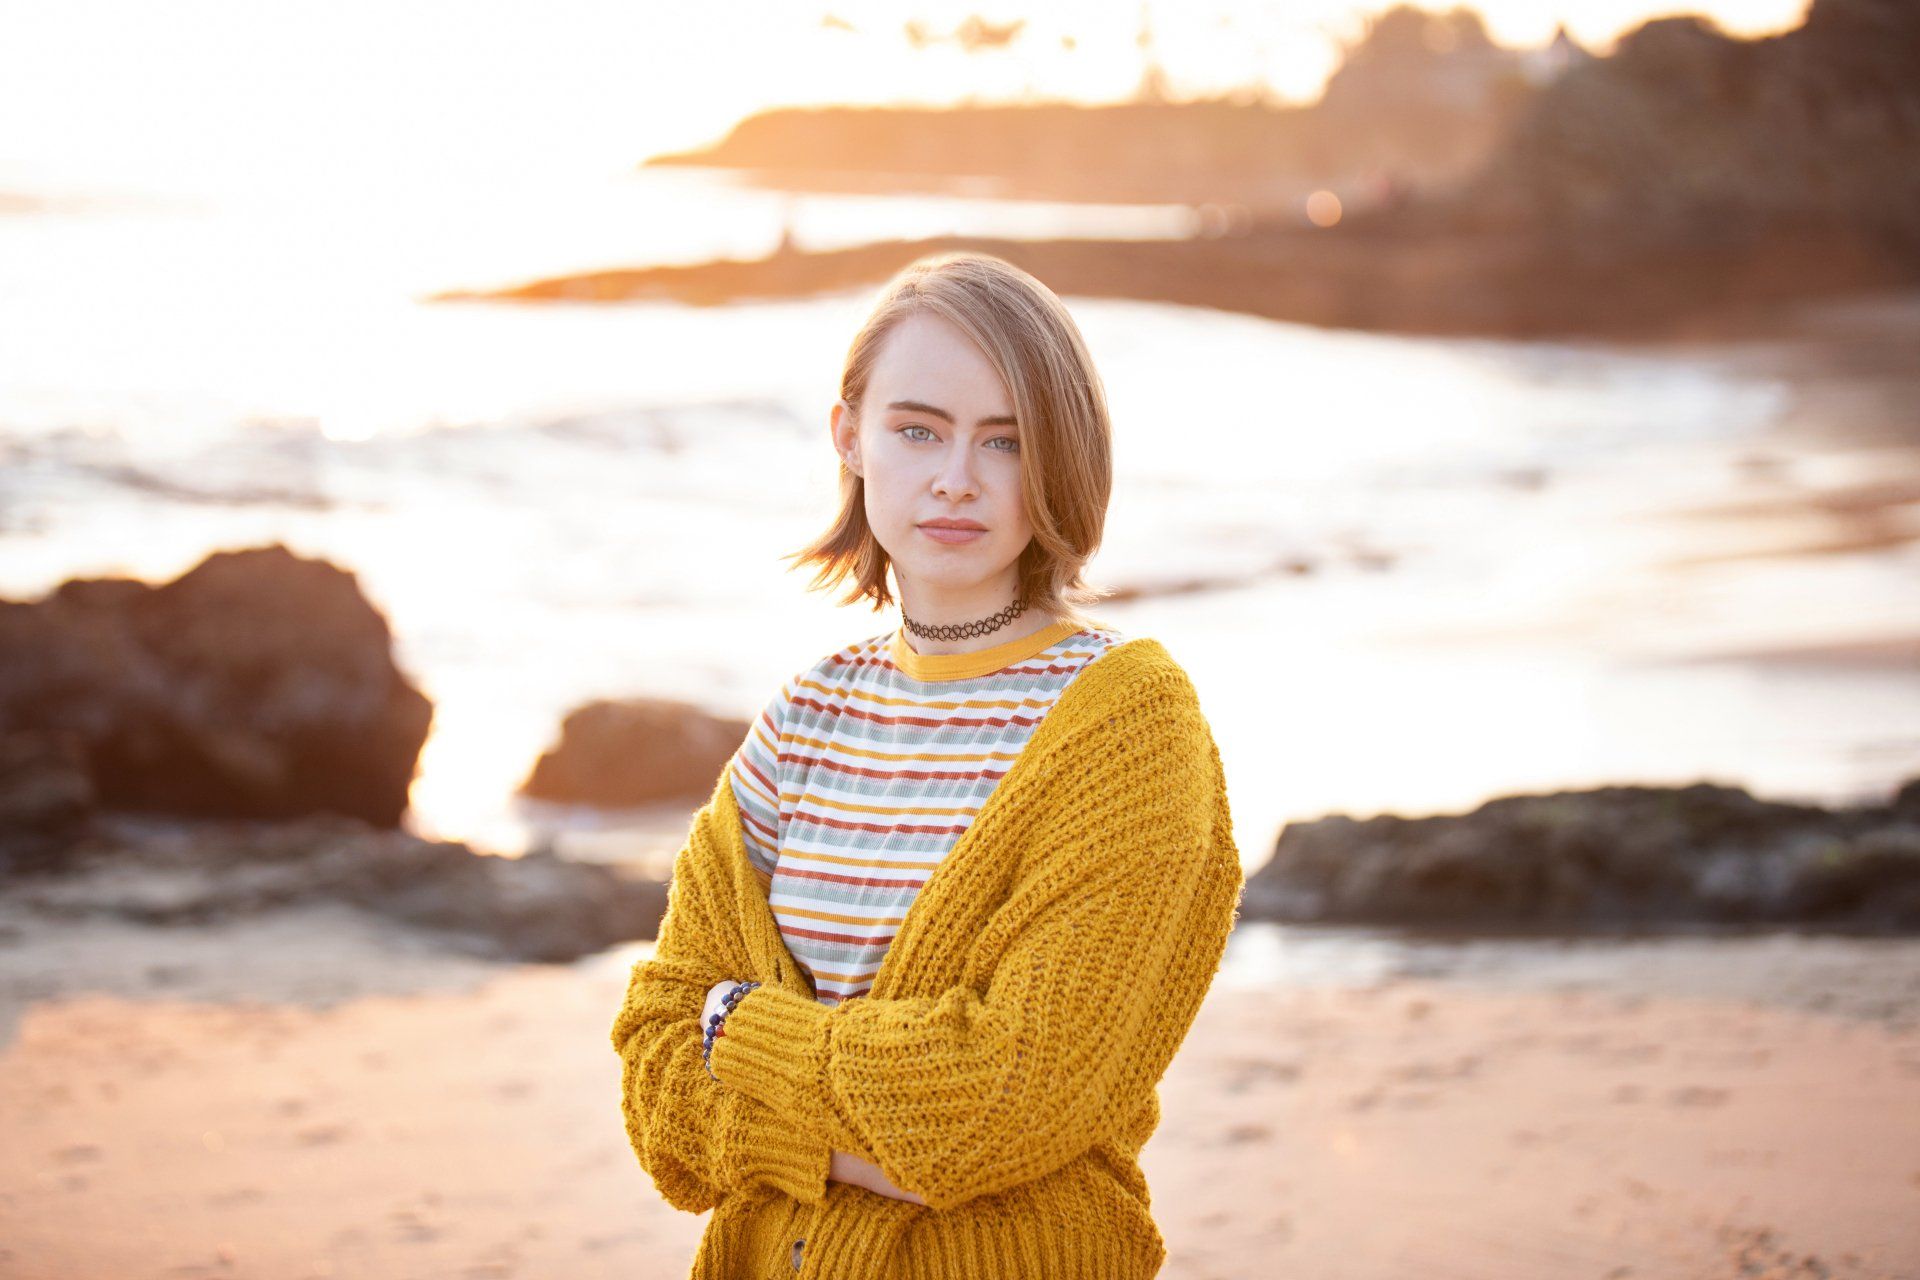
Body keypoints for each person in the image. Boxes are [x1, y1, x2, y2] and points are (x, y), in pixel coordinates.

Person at [610, 250, 1243, 1279]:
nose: (956, 476)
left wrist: (745, 1030)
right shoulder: (802, 722)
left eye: (1006, 441)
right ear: (849, 436)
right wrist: (857, 1139)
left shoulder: (1127, 724)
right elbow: (656, 1072)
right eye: (918, 428)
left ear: (1061, 457)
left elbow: (1003, 1100)